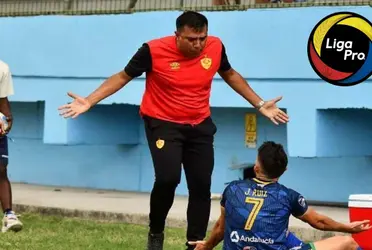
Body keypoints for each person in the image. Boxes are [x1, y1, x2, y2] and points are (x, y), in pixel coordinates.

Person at [58, 11, 289, 250]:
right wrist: (90, 100)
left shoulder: (216, 46)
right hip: (163, 122)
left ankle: (195, 243)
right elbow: (122, 76)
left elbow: (229, 74)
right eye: (191, 39)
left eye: (202, 38)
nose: (198, 44)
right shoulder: (152, 50)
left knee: (201, 184)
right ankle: (156, 232)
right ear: (177, 35)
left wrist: (260, 104)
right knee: (168, 179)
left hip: (199, 124)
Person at [189, 141, 371, 250]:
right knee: (347, 243)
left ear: (256, 167)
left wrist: (207, 246)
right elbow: (319, 222)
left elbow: (221, 227)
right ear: (284, 170)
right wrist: (349, 228)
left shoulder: (233, 189)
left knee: (285, 234)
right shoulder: (287, 196)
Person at [0, 61, 23, 233]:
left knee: (1, 169)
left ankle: (9, 216)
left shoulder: (2, 68)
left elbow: (2, 98)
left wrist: (7, 116)